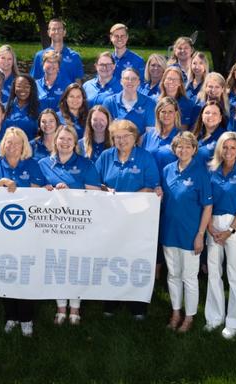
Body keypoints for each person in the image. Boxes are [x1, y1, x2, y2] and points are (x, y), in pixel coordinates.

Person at [0, 128, 50, 337]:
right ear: (3, 145)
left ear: (24, 146)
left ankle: (26, 318)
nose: (13, 147)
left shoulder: (32, 165)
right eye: (9, 143)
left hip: (28, 230)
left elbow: (39, 193)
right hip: (2, 230)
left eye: (17, 143)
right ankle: (11, 316)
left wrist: (30, 187)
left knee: (25, 274)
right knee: (6, 272)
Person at [37, 125, 103, 325]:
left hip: (78, 224)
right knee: (57, 264)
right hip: (52, 225)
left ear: (75, 143)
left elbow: (94, 194)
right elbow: (34, 192)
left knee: (76, 265)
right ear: (55, 140)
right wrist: (46, 190)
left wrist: (70, 193)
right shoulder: (42, 164)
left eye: (69, 140)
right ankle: (60, 307)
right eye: (61, 139)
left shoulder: (86, 164)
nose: (64, 143)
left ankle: (75, 308)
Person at [95, 120, 160, 319]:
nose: (122, 141)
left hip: (137, 219)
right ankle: (111, 300)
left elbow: (151, 187)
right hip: (111, 219)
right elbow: (95, 184)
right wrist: (106, 190)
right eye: (117, 137)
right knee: (112, 258)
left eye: (126, 136)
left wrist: (129, 202)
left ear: (134, 138)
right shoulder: (106, 156)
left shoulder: (145, 157)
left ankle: (137, 304)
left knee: (135, 258)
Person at [157, 131, 212, 333]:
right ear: (174, 149)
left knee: (189, 277)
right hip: (169, 231)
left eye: (188, 146)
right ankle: (176, 312)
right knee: (173, 275)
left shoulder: (201, 172)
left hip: (190, 234)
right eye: (179, 146)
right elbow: (163, 197)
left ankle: (189, 316)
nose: (183, 150)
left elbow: (208, 207)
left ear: (195, 150)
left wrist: (200, 235)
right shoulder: (167, 170)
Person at [204, 131, 236, 339]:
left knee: (234, 273)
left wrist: (230, 230)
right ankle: (214, 317)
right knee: (214, 272)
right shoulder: (211, 170)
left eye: (233, 147)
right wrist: (210, 228)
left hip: (233, 224)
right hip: (212, 223)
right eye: (225, 147)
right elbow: (205, 202)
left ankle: (233, 321)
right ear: (219, 149)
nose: (228, 151)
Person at [102, 68, 156, 132]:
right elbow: (105, 129)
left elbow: (149, 133)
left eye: (134, 79)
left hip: (141, 141)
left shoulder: (149, 103)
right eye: (126, 78)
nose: (130, 81)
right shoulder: (109, 102)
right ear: (121, 81)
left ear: (138, 82)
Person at [30, 18, 83, 83]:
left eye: (59, 29)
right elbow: (34, 81)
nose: (56, 32)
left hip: (67, 93)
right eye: (53, 29)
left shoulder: (75, 56)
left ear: (64, 32)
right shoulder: (40, 56)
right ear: (48, 33)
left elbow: (78, 82)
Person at [141, 97, 186, 168]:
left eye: (170, 112)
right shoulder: (149, 134)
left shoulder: (182, 137)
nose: (166, 115)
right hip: (148, 178)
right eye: (163, 112)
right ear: (158, 113)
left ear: (175, 114)